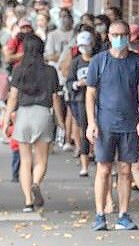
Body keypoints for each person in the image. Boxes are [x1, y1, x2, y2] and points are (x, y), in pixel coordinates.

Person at [85, 20, 139, 231]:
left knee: (125, 169)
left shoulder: (137, 62)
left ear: (128, 36)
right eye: (115, 34)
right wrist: (91, 122)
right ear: (109, 36)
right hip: (105, 124)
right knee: (103, 169)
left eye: (123, 34)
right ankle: (100, 214)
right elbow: (91, 94)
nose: (119, 38)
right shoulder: (99, 61)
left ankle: (123, 214)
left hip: (129, 123)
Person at [2, 35, 65, 211]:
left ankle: (28, 202)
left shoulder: (18, 70)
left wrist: (6, 121)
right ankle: (36, 183)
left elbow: (13, 97)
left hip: (23, 114)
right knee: (41, 160)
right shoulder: (50, 71)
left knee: (25, 160)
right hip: (43, 114)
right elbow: (55, 98)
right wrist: (60, 122)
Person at [66, 31, 96, 177]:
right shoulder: (76, 62)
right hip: (80, 100)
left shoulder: (97, 60)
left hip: (98, 100)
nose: (84, 48)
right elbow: (69, 82)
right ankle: (84, 164)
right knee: (84, 130)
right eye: (81, 45)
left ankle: (95, 156)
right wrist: (78, 84)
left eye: (87, 45)